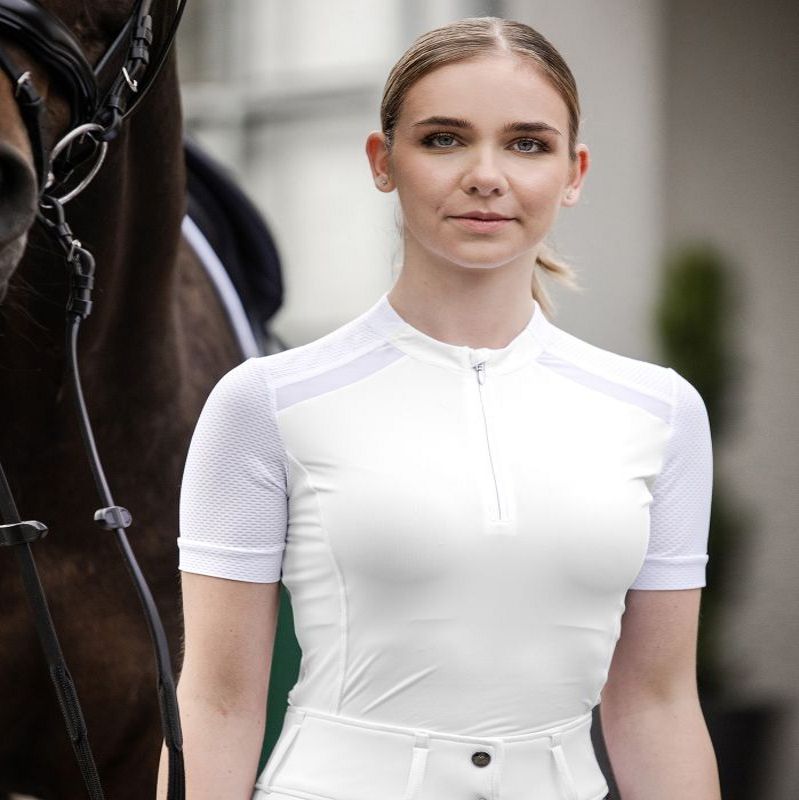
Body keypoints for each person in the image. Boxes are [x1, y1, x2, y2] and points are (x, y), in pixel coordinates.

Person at [156, 16, 721, 800]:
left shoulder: (660, 413)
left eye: (527, 143)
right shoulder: (265, 403)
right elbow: (216, 704)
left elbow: (658, 705)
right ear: (383, 162)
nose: (486, 175)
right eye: (444, 139)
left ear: (574, 171)